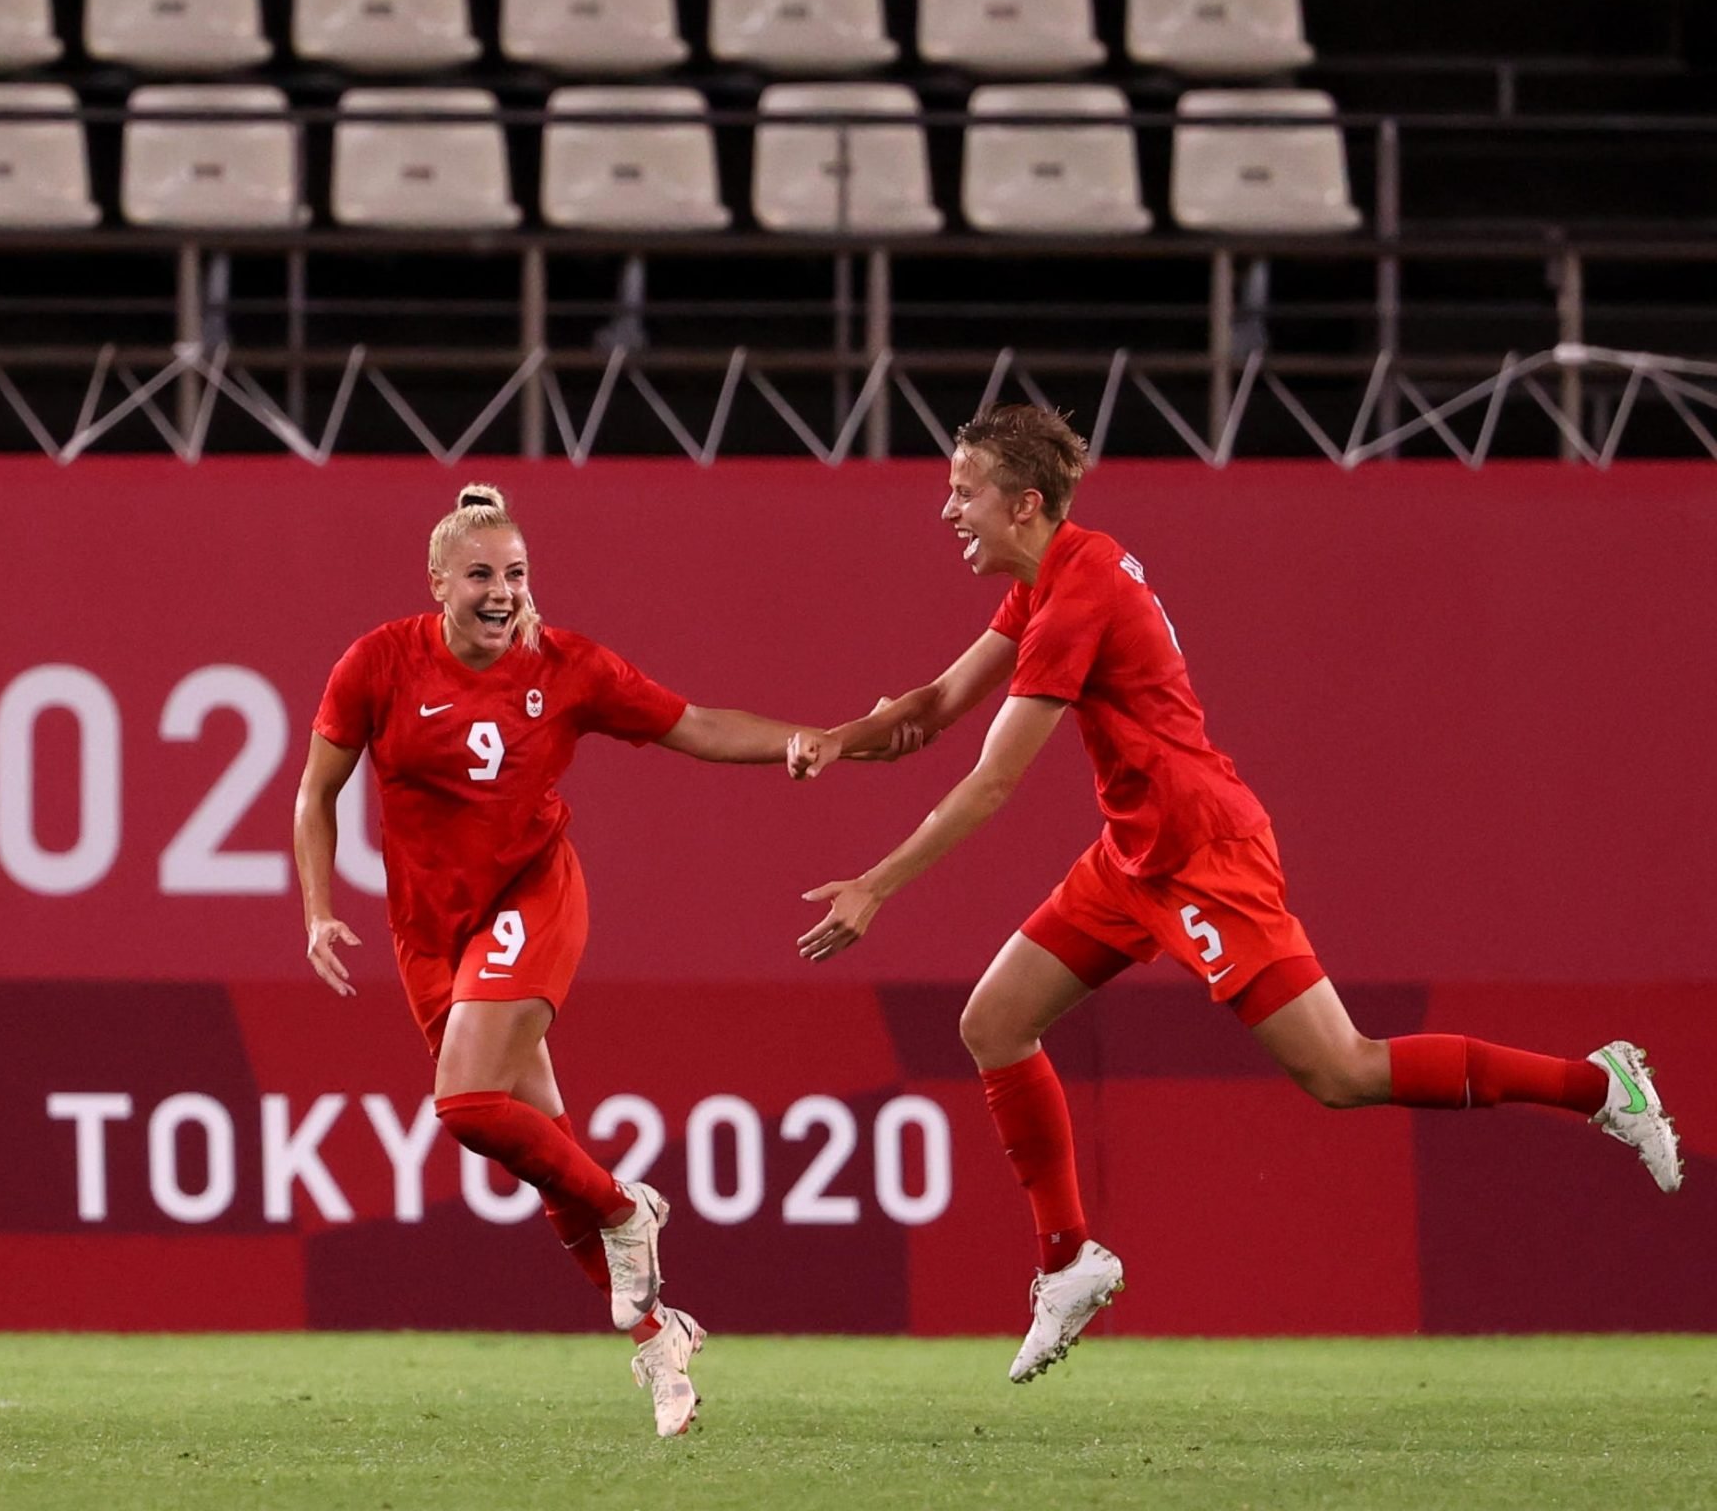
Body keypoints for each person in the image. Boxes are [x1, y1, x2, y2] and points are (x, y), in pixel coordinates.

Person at [788, 404, 1685, 1384]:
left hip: (1203, 854)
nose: (947, 509)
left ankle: (1603, 1086)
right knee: (994, 1023)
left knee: (1343, 1071)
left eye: (964, 491)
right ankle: (1068, 1262)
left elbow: (993, 780)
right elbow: (933, 706)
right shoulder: (1048, 580)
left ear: (1026, 503)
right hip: (1132, 855)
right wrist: (840, 738)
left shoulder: (1079, 593)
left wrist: (876, 886)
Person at [293, 483, 918, 1438]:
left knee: (463, 1106)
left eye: (516, 575)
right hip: (429, 931)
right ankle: (657, 1340)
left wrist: (796, 741)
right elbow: (315, 793)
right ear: (436, 584)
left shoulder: (566, 667)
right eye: (481, 576)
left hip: (532, 895)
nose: (502, 593)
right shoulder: (377, 663)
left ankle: (629, 1210)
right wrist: (317, 910)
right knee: (538, 1148)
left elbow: (693, 722)